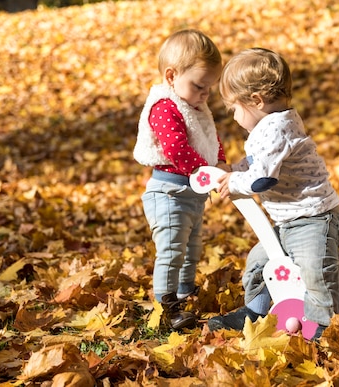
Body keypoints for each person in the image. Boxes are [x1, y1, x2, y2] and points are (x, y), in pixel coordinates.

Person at [207, 48, 339, 341]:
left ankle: (328, 329)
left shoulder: (277, 128)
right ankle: (254, 311)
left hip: (314, 219)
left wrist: (234, 182)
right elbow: (258, 163)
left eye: (234, 109)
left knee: (315, 271)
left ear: (256, 100)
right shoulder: (271, 125)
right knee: (259, 262)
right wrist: (233, 170)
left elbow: (262, 180)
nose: (233, 117)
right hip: (288, 221)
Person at [133, 29, 228, 330]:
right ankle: (167, 305)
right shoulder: (164, 107)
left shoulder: (195, 107)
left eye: (209, 88)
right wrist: (205, 172)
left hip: (191, 193)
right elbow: (176, 148)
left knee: (192, 248)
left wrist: (221, 161)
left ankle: (185, 291)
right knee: (172, 249)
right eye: (200, 86)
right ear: (172, 76)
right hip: (169, 193)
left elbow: (210, 139)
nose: (205, 94)